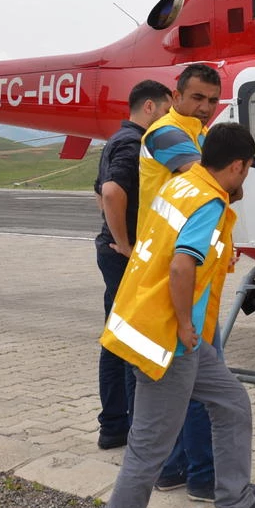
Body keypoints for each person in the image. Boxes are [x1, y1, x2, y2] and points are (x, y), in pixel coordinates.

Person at [91, 123, 255, 508]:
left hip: (173, 336)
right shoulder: (209, 202)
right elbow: (181, 268)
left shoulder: (182, 184)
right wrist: (184, 326)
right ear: (236, 166)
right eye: (247, 170)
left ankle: (235, 501)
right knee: (148, 451)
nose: (245, 178)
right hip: (170, 341)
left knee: (232, 402)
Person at [139, 63, 222, 502]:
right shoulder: (167, 133)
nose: (206, 108)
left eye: (212, 100)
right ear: (176, 95)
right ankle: (205, 479)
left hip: (191, 274)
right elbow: (206, 176)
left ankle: (171, 470)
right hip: (179, 277)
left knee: (181, 380)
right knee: (200, 387)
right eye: (197, 98)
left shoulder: (197, 134)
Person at [93, 80, 172, 450]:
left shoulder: (114, 140)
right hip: (123, 255)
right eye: (168, 109)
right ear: (151, 108)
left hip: (110, 252)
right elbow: (110, 192)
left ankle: (113, 427)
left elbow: (100, 191)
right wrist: (126, 244)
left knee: (114, 339)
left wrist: (113, 234)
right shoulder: (133, 143)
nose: (170, 118)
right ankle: (135, 432)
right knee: (130, 343)